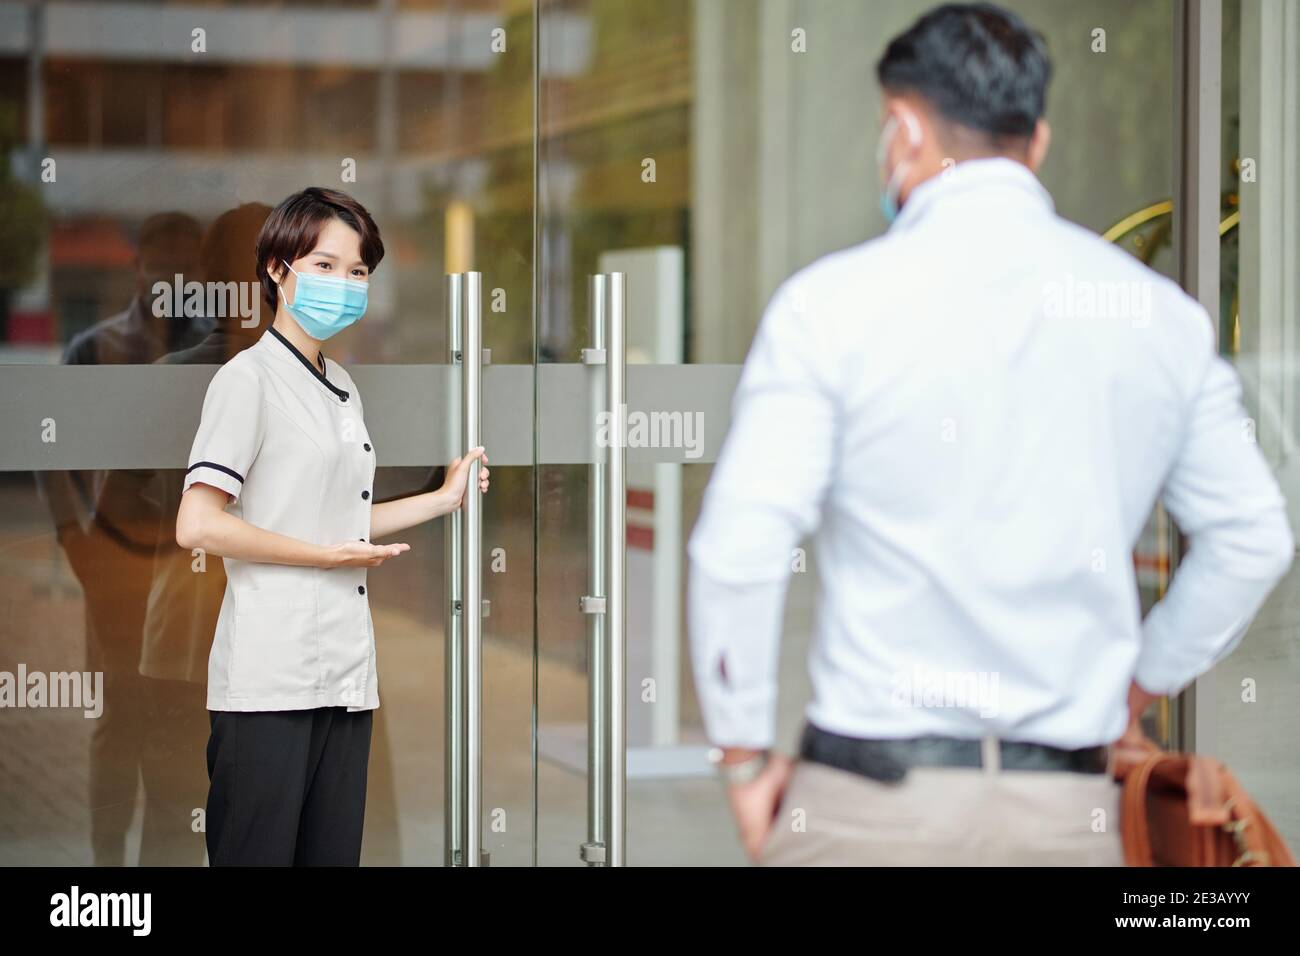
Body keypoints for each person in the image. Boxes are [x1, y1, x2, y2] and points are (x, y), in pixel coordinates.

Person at [687, 2, 1294, 866]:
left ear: (901, 129)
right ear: (1036, 142)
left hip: (868, 807)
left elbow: (738, 548)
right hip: (1064, 814)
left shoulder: (830, 306)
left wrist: (745, 759)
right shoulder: (1157, 317)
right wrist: (1138, 683)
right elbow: (1252, 537)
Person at [175, 187, 490, 866]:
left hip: (344, 677)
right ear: (278, 269)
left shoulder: (342, 384)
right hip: (268, 679)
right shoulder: (246, 381)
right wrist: (322, 558)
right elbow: (199, 523)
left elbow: (341, 521)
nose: (345, 283)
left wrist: (445, 498)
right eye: (325, 265)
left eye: (357, 271)